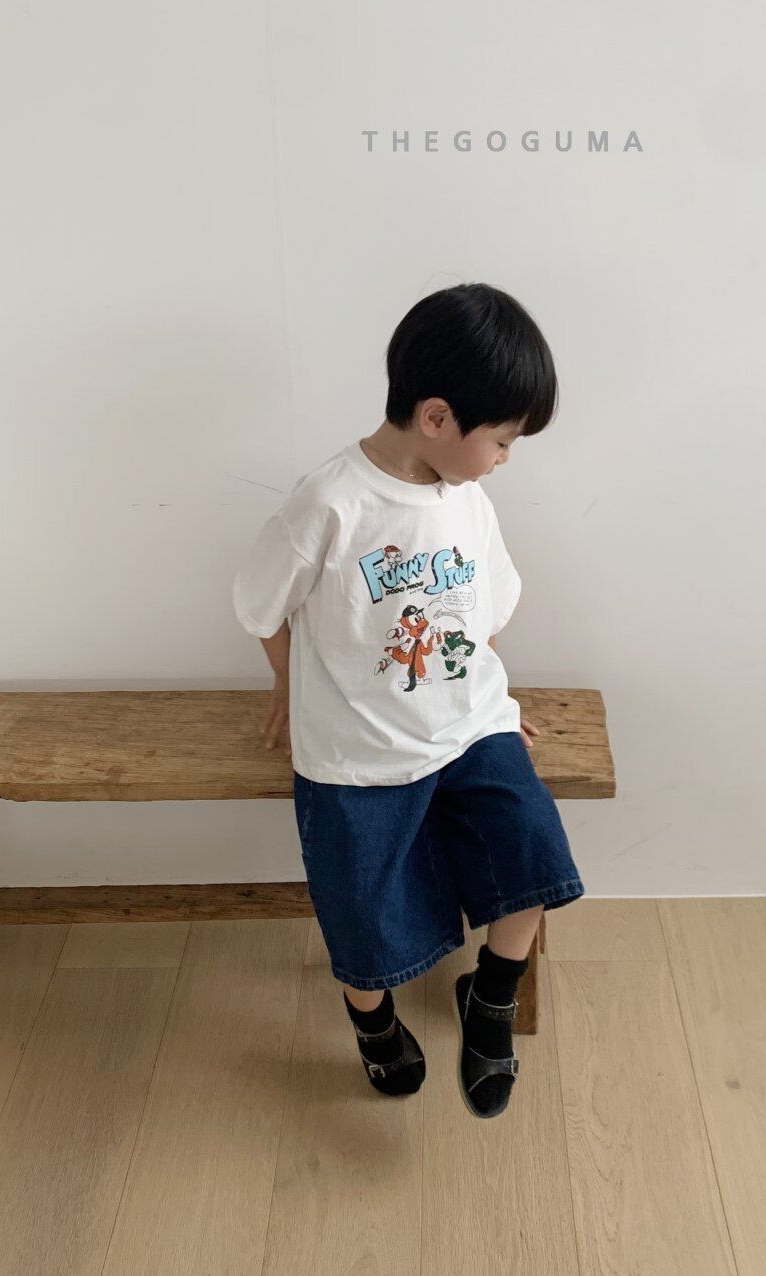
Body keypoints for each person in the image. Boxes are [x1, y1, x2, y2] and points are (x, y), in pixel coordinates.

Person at [232, 282, 585, 1119]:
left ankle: (490, 997)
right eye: (501, 441)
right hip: (355, 750)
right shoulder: (330, 504)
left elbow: (483, 613)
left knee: (532, 855)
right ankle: (375, 1024)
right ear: (436, 418)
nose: (505, 459)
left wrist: (493, 705)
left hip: (467, 729)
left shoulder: (469, 499)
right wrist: (287, 683)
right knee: (359, 914)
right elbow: (259, 604)